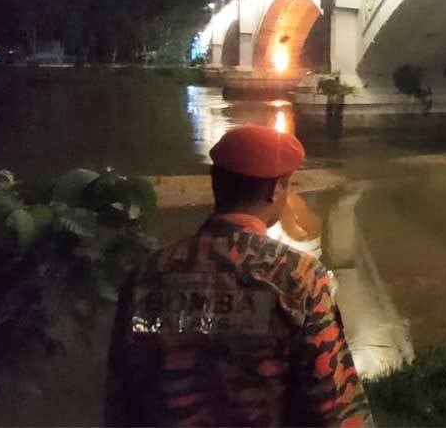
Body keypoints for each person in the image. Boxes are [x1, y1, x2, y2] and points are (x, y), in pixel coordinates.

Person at [106, 125, 372, 427]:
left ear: (216, 185)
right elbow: (334, 402)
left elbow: (122, 396)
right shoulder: (298, 277)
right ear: (274, 190)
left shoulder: (147, 274)